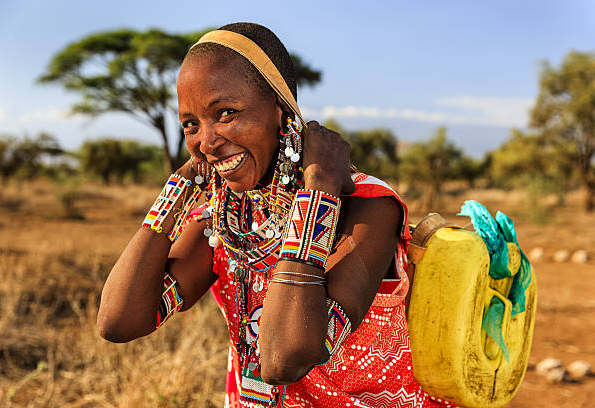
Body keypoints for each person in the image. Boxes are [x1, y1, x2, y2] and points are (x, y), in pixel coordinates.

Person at [97, 22, 452, 408]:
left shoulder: (365, 206)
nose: (207, 141)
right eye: (191, 124)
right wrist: (178, 186)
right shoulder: (222, 218)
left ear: (281, 111)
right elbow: (119, 321)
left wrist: (318, 193)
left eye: (226, 113)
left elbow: (285, 357)